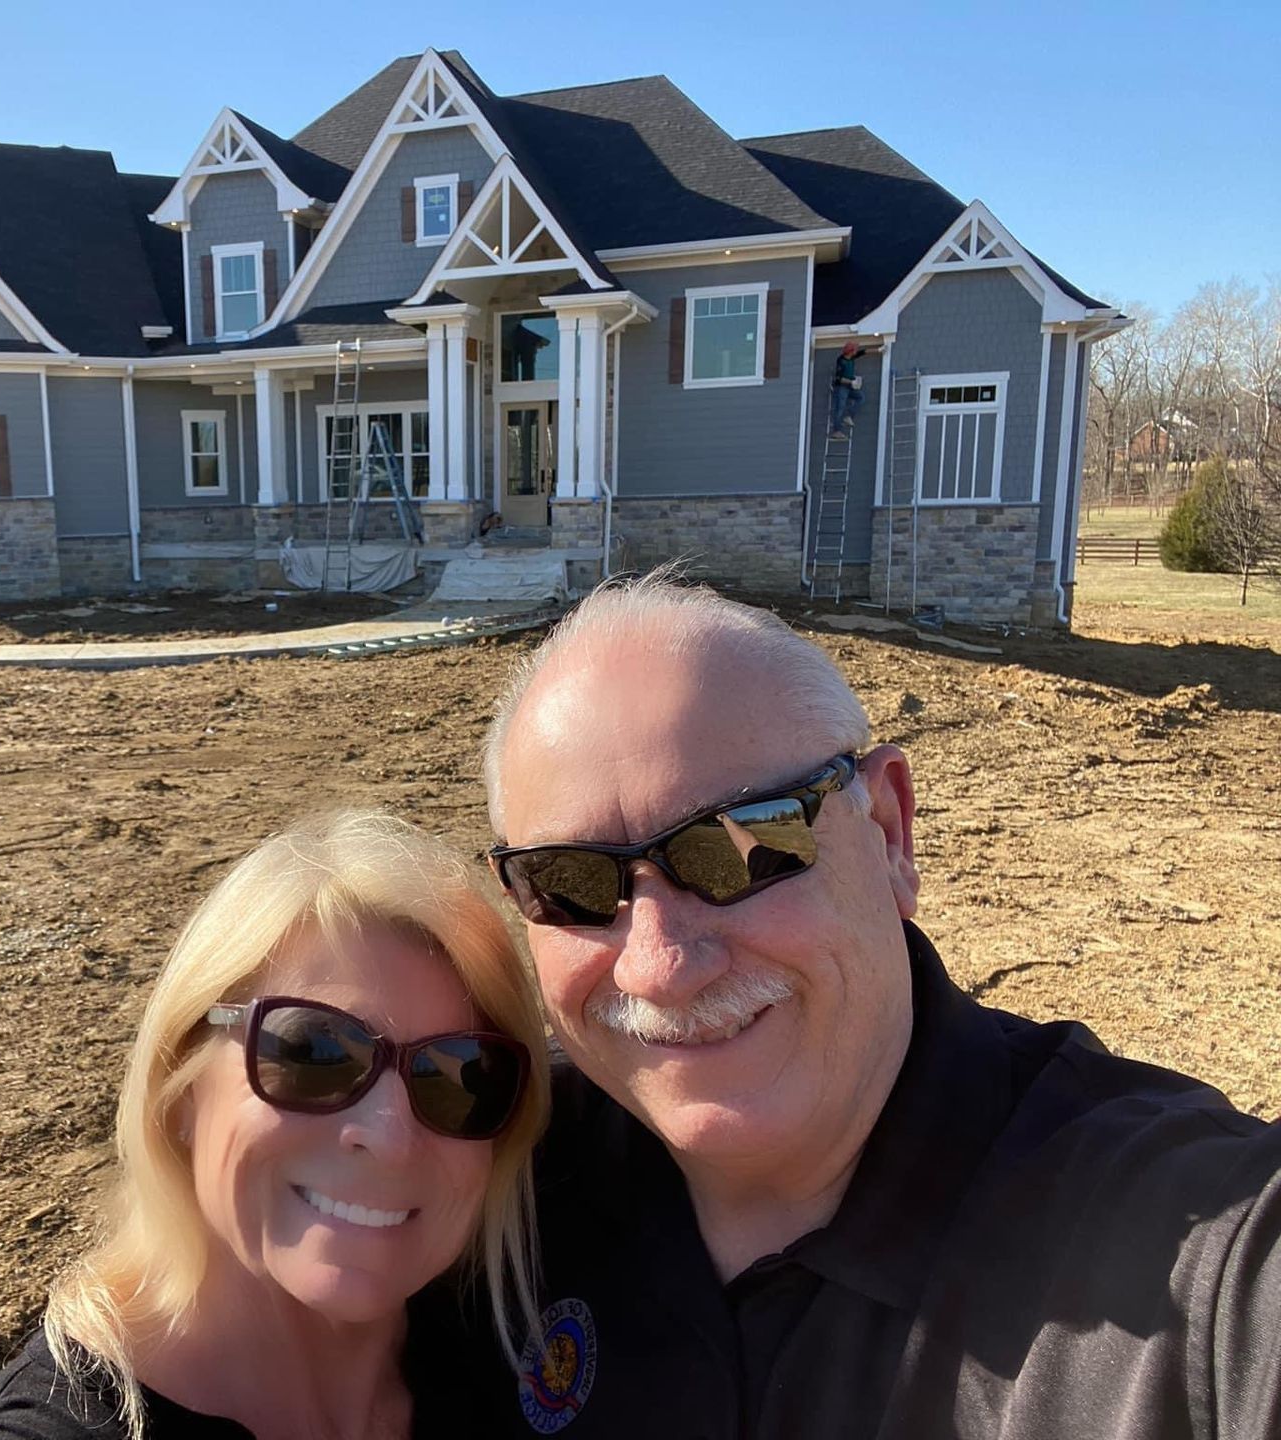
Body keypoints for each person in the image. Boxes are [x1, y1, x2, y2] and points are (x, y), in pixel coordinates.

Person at [468, 568, 1280, 1439]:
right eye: (571, 885)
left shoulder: (1205, 1259)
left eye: (739, 847)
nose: (659, 967)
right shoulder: (493, 1186)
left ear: (890, 832)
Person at [0, 810, 550, 1440]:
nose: (390, 1138)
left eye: (463, 1076)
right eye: (313, 1052)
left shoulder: (521, 1350)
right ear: (181, 1085)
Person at [828, 341, 866, 438]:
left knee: (861, 397)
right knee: (840, 408)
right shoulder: (841, 361)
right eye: (854, 349)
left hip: (849, 388)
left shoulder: (852, 357)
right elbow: (839, 378)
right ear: (850, 351)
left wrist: (879, 350)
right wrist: (851, 382)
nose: (856, 351)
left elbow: (863, 352)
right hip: (841, 388)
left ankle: (848, 416)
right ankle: (836, 431)